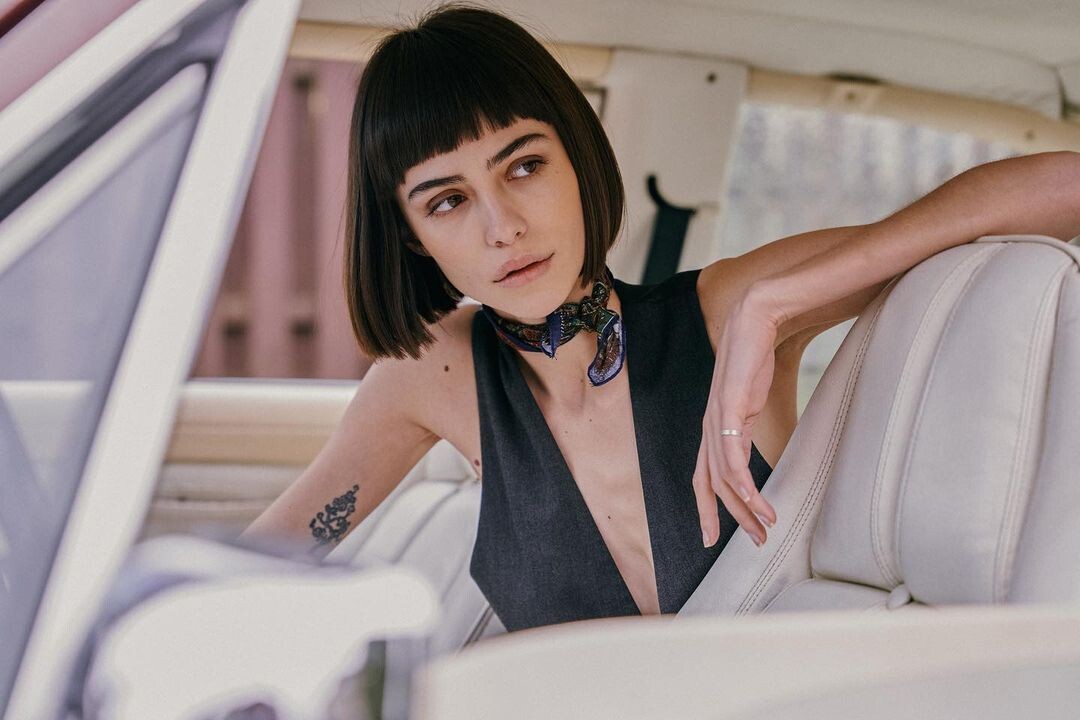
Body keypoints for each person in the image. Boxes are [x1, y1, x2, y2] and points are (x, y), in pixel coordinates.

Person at [239, 3, 1080, 631]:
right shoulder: (434, 375)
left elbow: (1062, 184)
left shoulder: (719, 311)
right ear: (412, 237)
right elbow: (259, 566)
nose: (503, 227)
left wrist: (775, 303)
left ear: (576, 159)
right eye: (448, 200)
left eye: (524, 165)